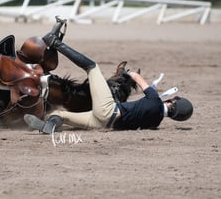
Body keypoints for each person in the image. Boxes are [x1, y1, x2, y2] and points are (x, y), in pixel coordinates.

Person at [24, 26, 193, 133]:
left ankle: (55, 43)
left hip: (107, 111)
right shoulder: (155, 122)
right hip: (105, 125)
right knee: (61, 115)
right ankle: (50, 125)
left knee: (92, 67)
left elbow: (139, 80)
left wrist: (131, 74)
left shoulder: (155, 101)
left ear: (173, 103)